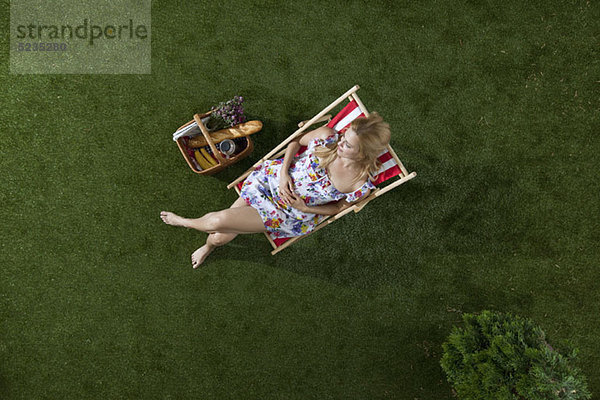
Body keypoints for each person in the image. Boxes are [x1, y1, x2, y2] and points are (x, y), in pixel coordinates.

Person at [160, 112, 391, 268]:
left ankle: (184, 222)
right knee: (219, 237)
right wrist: (283, 175)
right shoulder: (328, 138)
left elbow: (339, 208)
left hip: (288, 212)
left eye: (348, 144)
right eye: (344, 137)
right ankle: (207, 246)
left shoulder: (359, 184)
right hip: (269, 181)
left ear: (362, 154)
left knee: (217, 226)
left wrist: (304, 206)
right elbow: (295, 142)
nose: (340, 142)